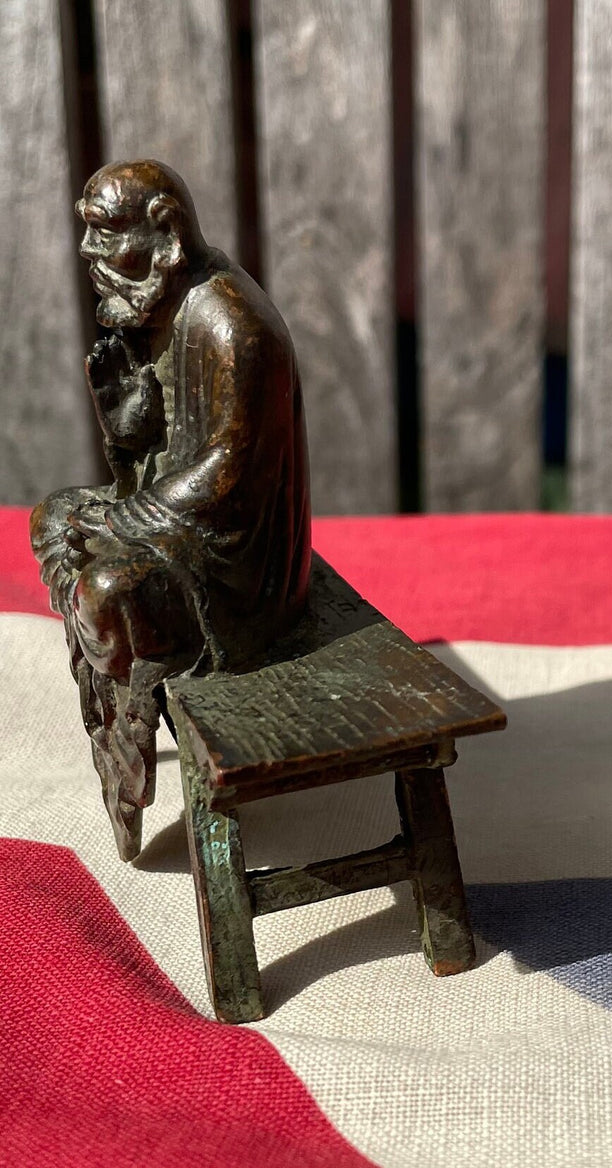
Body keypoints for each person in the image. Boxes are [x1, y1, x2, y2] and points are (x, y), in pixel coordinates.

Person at [31, 159, 311, 858]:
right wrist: (125, 416)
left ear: (164, 232)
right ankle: (119, 683)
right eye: (86, 234)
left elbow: (226, 471)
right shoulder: (156, 303)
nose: (90, 255)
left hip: (236, 569)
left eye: (105, 235)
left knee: (100, 591)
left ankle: (129, 693)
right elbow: (155, 446)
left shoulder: (234, 326)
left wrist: (124, 522)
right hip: (174, 519)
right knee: (53, 518)